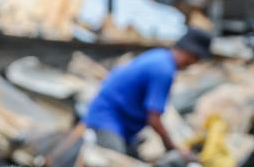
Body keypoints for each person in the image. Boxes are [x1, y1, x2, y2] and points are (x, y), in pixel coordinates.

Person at [84, 27, 214, 158]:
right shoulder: (163, 70)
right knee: (115, 164)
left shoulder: (159, 56)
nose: (192, 64)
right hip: (107, 119)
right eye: (195, 59)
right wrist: (172, 148)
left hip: (119, 123)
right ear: (191, 54)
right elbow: (154, 119)